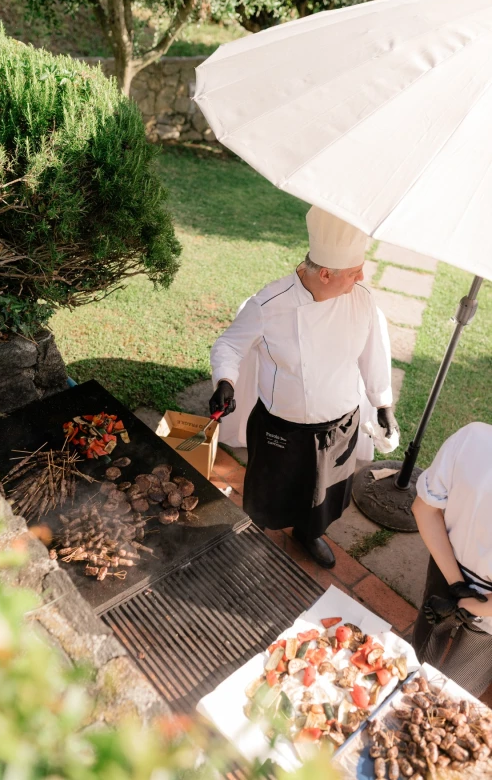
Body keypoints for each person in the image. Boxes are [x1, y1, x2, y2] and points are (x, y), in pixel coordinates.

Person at [208, 206, 397, 569]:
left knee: (322, 497)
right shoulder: (269, 304)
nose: (361, 277)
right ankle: (256, 535)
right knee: (271, 494)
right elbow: (230, 345)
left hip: (339, 425)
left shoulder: (363, 301)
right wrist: (225, 381)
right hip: (282, 427)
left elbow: (374, 355)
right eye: (354, 272)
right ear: (326, 273)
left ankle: (309, 534)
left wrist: (383, 403)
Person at [412, 422, 492, 698]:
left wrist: (457, 587)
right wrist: (467, 604)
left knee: (418, 662)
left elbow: (425, 510)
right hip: (484, 614)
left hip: (445, 574)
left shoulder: (473, 438)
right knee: (456, 695)